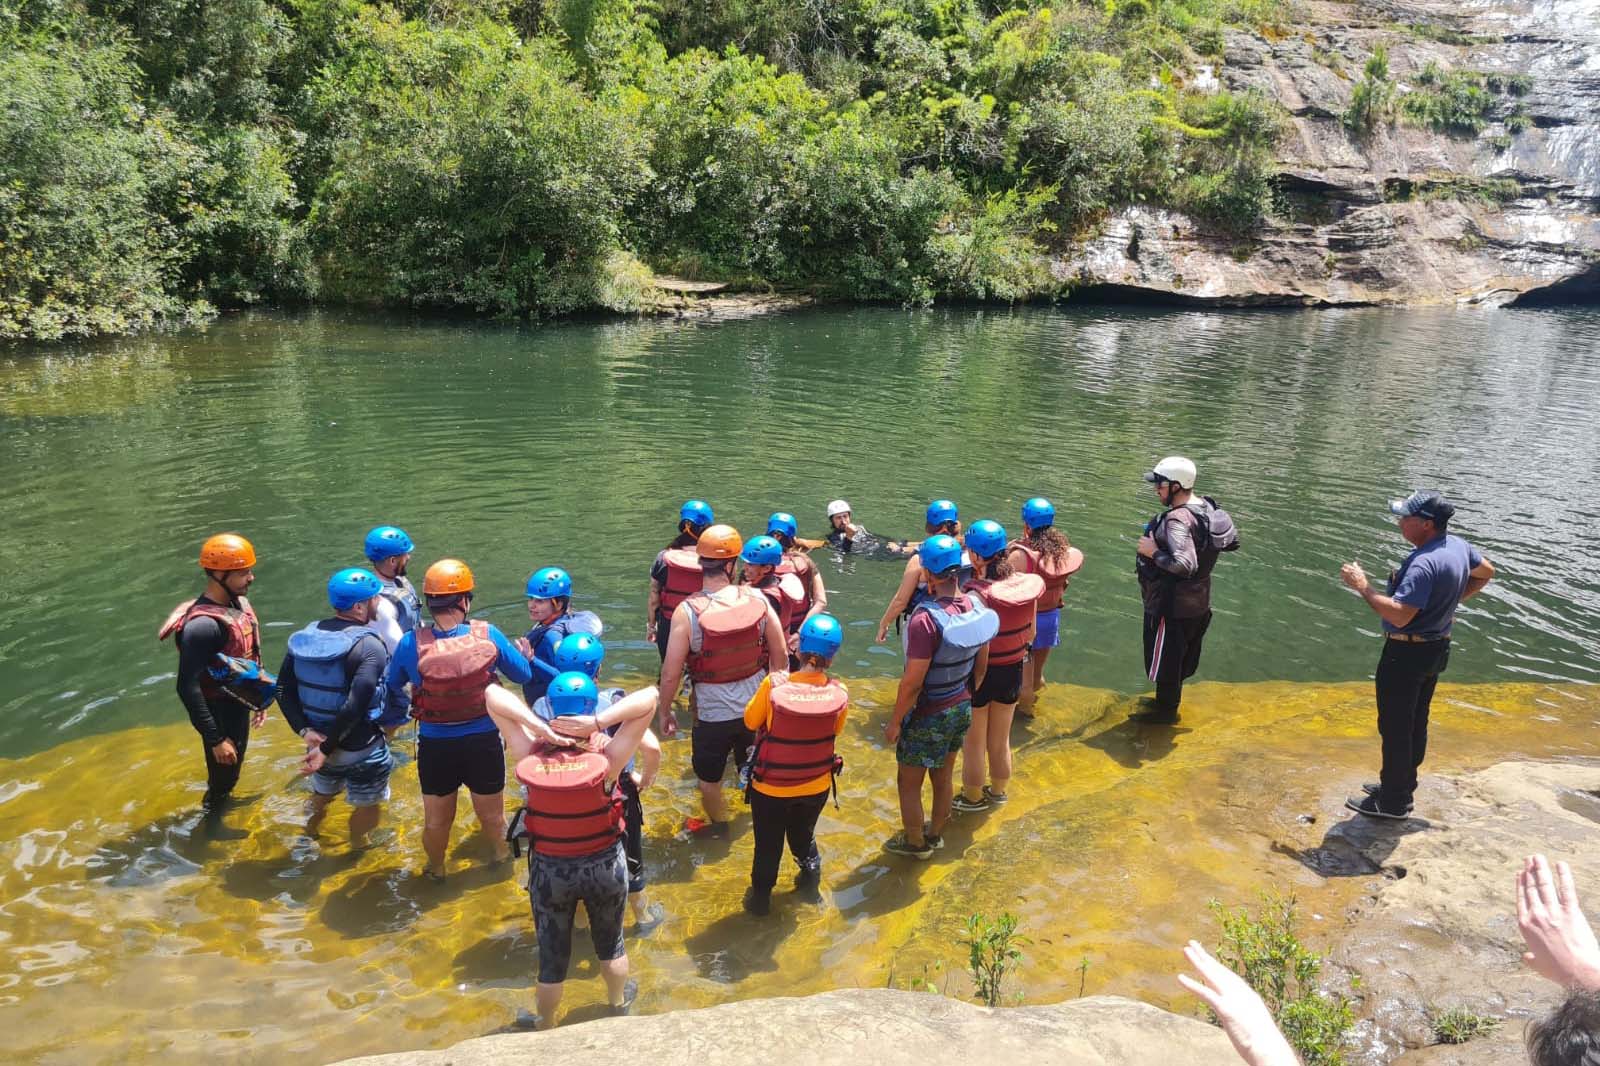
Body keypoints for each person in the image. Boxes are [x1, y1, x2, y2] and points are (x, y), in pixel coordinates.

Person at [505, 672, 658, 1029]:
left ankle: (546, 1023)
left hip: (550, 870)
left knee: (552, 958)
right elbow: (650, 696)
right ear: (592, 706)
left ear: (550, 709)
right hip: (605, 866)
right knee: (613, 944)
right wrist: (598, 722)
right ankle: (617, 1004)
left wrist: (539, 728)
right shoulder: (609, 755)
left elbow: (493, 696)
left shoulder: (529, 750)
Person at [1339, 490, 1493, 819]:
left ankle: (1393, 803)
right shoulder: (1457, 546)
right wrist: (1450, 604)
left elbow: (1398, 615)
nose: (1399, 522)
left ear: (1425, 524)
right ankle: (1400, 785)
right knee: (1415, 722)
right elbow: (1486, 573)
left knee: (1395, 727)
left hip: (1406, 654)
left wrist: (1362, 585)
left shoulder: (1424, 563)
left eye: (1404, 518)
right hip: (1436, 649)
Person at [384, 558, 535, 880]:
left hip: (436, 746)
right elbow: (522, 675)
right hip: (483, 741)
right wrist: (523, 655)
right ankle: (501, 865)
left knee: (437, 822)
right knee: (493, 818)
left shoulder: (412, 642)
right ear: (464, 600)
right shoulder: (488, 634)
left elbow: (393, 683)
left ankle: (435, 870)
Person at [520, 634, 662, 931]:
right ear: (598, 670)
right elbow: (652, 749)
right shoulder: (612, 703)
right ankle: (643, 919)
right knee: (630, 857)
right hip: (614, 789)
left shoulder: (543, 707)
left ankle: (581, 929)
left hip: (558, 795)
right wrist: (643, 780)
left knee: (573, 854)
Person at [656, 524, 787, 833]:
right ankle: (757, 822)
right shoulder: (758, 600)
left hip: (712, 715)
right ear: (732, 564)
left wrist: (664, 711)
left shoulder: (686, 612)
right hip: (755, 710)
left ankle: (722, 829)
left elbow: (671, 672)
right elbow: (780, 657)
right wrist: (775, 703)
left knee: (708, 781)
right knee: (755, 768)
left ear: (700, 563)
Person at [883, 535, 997, 859]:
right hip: (961, 704)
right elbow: (981, 664)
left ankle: (915, 844)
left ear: (929, 575)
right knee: (943, 776)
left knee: (908, 782)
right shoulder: (977, 605)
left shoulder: (924, 620)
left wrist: (894, 723)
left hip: (927, 713)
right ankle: (936, 835)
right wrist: (964, 694)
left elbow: (912, 684)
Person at [740, 614, 849, 916]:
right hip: (816, 786)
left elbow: (750, 721)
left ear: (799, 649)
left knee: (767, 848)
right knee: (803, 837)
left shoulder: (773, 686)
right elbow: (835, 730)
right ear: (833, 655)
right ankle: (810, 889)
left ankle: (759, 905)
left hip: (771, 788)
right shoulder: (840, 693)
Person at [276, 568, 394, 847]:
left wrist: (306, 733)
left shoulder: (304, 638)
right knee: (367, 806)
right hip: (361, 749)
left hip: (317, 746)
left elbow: (282, 689)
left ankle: (308, 836)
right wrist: (326, 748)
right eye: (375, 598)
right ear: (359, 606)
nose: (379, 603)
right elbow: (356, 705)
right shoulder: (368, 646)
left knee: (322, 796)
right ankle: (358, 849)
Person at [159, 533, 268, 812]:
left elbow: (247, 652)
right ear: (219, 574)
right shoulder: (204, 627)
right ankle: (210, 824)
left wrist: (257, 695)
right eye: (243, 573)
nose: (251, 577)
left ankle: (223, 802)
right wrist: (216, 739)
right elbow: (186, 687)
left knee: (233, 771)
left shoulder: (236, 604)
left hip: (236, 702)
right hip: (218, 711)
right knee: (222, 776)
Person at [1135, 457, 1238, 725]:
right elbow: (1231, 541)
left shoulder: (1177, 520)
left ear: (1176, 486)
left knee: (1166, 665)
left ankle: (1163, 717)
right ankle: (1167, 705)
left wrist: (1152, 551)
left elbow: (1184, 564)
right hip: (1198, 604)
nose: (1156, 489)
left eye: (1160, 484)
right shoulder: (1207, 508)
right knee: (1177, 661)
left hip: (1172, 606)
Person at [955, 519, 1042, 814]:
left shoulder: (974, 595)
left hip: (981, 675)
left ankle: (972, 798)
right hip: (1012, 670)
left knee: (974, 743)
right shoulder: (1023, 588)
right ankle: (999, 793)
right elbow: (1030, 634)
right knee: (1001, 739)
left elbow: (969, 645)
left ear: (977, 557)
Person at [1006, 497, 1084, 716]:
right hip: (1050, 618)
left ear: (1026, 525)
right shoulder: (1061, 552)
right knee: (1037, 676)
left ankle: (1024, 718)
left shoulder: (1020, 555)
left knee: (1024, 681)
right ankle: (1035, 709)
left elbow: (1003, 588)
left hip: (1026, 624)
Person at [876, 499, 966, 645]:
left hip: (924, 623)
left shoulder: (919, 561)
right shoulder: (966, 551)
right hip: (957, 617)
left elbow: (900, 601)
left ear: (929, 526)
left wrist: (884, 624)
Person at [364, 525, 419, 736]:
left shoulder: (397, 581)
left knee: (399, 720)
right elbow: (397, 647)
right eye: (406, 554)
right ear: (392, 561)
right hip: (392, 674)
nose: (410, 557)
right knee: (391, 723)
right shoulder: (380, 602)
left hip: (403, 665)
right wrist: (419, 678)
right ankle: (386, 755)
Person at [520, 566, 603, 706]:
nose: (532, 605)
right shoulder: (570, 622)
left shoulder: (552, 636)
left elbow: (567, 679)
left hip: (553, 706)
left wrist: (532, 659)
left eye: (540, 601)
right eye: (531, 598)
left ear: (558, 605)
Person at [647, 499, 714, 661]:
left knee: (669, 672)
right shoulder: (714, 560)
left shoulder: (663, 558)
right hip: (702, 627)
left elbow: (654, 598)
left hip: (669, 627)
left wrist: (651, 627)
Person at [767, 511, 829, 659]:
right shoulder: (804, 562)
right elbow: (821, 602)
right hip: (796, 629)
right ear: (792, 537)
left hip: (767, 631)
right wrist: (799, 633)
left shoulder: (758, 562)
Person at [740, 535, 806, 636]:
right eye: (745, 562)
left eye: (750, 564)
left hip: (766, 650)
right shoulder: (777, 581)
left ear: (766, 568)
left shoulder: (769, 598)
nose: (744, 567)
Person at [824, 499, 915, 556]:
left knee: (904, 543)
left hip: (883, 545)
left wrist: (892, 541)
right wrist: (848, 537)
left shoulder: (859, 528)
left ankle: (925, 543)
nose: (843, 521)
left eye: (845, 516)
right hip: (877, 553)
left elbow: (874, 536)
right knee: (916, 551)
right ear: (832, 520)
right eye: (838, 518)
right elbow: (845, 552)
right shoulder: (833, 537)